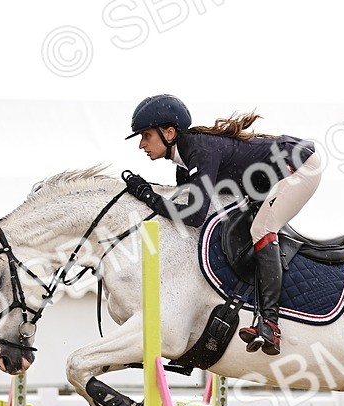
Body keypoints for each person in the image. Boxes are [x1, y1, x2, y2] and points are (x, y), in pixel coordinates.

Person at [122, 94, 322, 356]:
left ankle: (270, 325)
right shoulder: (185, 164)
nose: (141, 145)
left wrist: (148, 196)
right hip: (273, 174)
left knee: (261, 229)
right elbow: (187, 211)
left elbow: (193, 216)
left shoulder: (199, 151)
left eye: (146, 135)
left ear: (169, 132)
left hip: (300, 164)